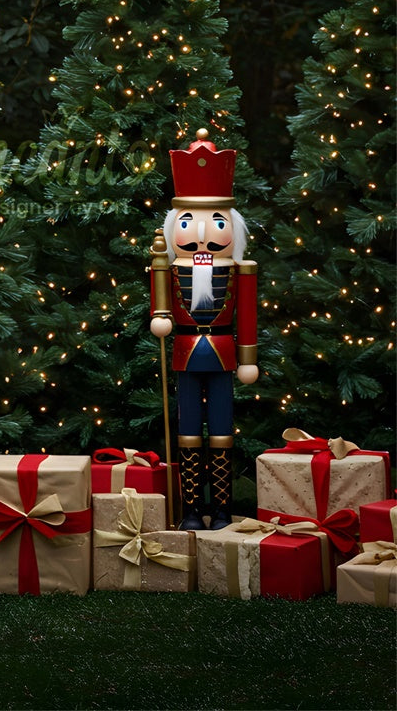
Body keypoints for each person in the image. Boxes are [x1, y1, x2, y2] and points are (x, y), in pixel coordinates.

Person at [149, 128, 257, 530]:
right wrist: (160, 317)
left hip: (226, 352)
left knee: (223, 433)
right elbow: (159, 303)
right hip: (186, 352)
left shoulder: (240, 270)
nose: (202, 236)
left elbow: (247, 315)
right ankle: (193, 508)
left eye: (215, 222)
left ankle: (223, 508)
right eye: (190, 221)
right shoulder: (167, 265)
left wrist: (248, 357)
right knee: (189, 432)